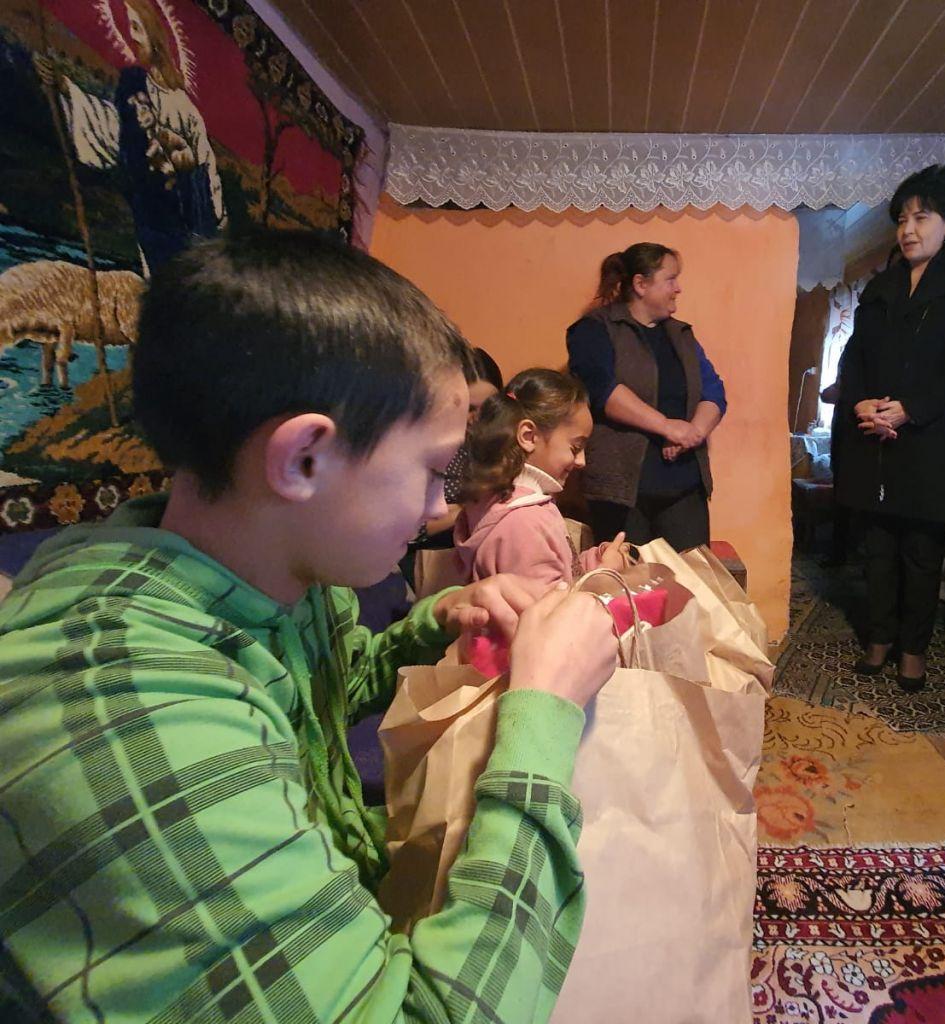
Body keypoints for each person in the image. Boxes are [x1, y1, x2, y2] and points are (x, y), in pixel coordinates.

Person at [0, 230, 621, 1022]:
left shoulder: (277, 573)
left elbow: (327, 688)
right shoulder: (122, 708)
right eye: (433, 470)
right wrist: (545, 712)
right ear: (302, 460)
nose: (441, 505)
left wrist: (436, 619)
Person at [834, 165, 945, 692]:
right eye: (902, 219)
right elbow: (855, 355)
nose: (908, 229)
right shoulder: (881, 285)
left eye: (921, 217)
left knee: (922, 550)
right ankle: (879, 638)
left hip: (931, 434)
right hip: (875, 434)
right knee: (878, 546)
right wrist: (861, 402)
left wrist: (912, 409)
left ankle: (913, 649)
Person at [37, 0, 224, 272]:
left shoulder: (185, 109)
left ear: (155, 35)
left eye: (137, 27)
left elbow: (208, 175)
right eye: (128, 27)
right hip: (150, 219)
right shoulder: (133, 88)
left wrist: (182, 161)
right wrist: (65, 87)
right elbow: (115, 130)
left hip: (187, 221)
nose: (132, 36)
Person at [566, 243, 727, 552]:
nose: (678, 288)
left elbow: (713, 391)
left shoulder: (681, 335)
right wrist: (667, 426)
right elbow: (604, 391)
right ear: (640, 284)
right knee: (627, 576)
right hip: (621, 491)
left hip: (684, 487)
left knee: (693, 575)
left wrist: (692, 433)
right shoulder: (593, 330)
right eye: (670, 279)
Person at [450, 368, 628, 586]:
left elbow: (558, 572)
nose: (581, 461)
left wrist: (594, 561)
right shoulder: (525, 523)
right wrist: (604, 574)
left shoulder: (502, 504)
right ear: (528, 436)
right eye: (575, 448)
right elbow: (548, 604)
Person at [401, 344, 503, 592]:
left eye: (488, 409)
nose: (477, 419)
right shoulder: (428, 446)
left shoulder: (502, 443)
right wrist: (471, 509)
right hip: (430, 563)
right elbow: (411, 528)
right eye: (469, 408)